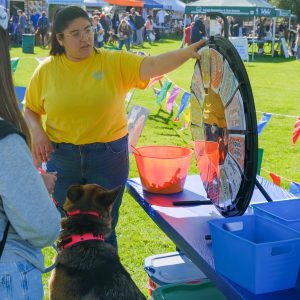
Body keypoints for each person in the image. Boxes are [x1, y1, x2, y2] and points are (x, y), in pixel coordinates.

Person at [24, 6, 204, 250]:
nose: (85, 38)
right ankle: (70, 282)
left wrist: (187, 52)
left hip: (108, 157)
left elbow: (152, 65)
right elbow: (31, 110)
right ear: (60, 39)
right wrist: (37, 132)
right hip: (63, 157)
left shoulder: (113, 61)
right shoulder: (46, 70)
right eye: (75, 33)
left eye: (88, 30)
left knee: (104, 229)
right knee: (66, 227)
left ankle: (104, 284)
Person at [0, 25, 60, 300]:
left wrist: (31, 180)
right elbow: (42, 227)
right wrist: (36, 189)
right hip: (10, 271)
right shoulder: (5, 141)